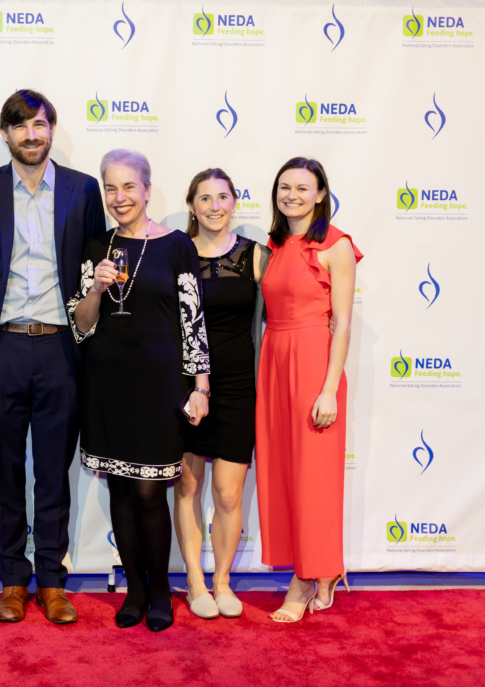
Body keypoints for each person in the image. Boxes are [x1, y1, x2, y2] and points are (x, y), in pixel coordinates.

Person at [0, 89, 105, 624]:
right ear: (6, 134)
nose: (31, 135)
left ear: (51, 130)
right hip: (1, 348)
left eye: (40, 125)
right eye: (20, 126)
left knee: (52, 469)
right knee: (3, 468)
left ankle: (52, 581)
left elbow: (94, 270)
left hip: (62, 347)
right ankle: (12, 580)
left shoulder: (82, 190)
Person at [67, 149, 211, 632]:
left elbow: (193, 319)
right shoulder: (95, 248)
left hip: (159, 387)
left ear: (147, 189)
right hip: (106, 385)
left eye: (129, 186)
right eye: (111, 187)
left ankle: (158, 592)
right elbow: (81, 328)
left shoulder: (175, 246)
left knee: (150, 493)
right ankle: (133, 590)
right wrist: (95, 290)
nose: (119, 197)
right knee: (123, 494)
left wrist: (201, 384)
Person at [255, 157, 361, 623]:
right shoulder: (273, 246)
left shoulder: (335, 246)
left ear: (321, 194)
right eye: (284, 187)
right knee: (282, 472)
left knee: (313, 478)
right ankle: (321, 571)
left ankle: (306, 579)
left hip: (314, 361)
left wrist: (329, 390)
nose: (292, 194)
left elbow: (342, 324)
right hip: (274, 360)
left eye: (303, 187)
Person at [175, 168, 270, 620]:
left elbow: (286, 310)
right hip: (186, 387)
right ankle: (194, 580)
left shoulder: (256, 256)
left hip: (237, 390)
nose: (214, 206)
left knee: (229, 495)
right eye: (205, 198)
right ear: (192, 204)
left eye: (223, 197)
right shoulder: (175, 253)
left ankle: (223, 581)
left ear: (234, 203)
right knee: (188, 487)